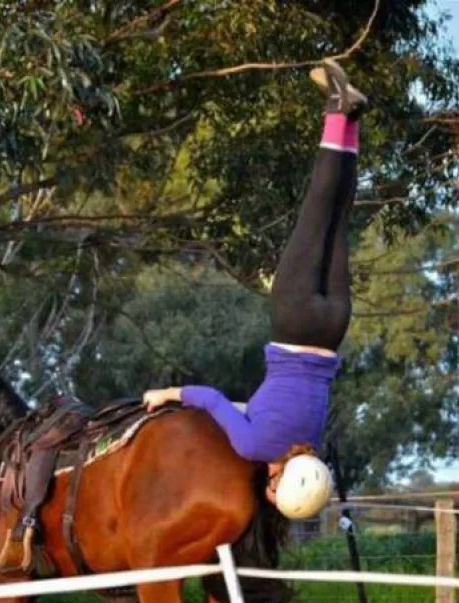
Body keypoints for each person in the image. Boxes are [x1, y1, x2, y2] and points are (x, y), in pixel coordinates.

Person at [144, 60, 368, 519]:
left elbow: (265, 406)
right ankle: (337, 109)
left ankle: (351, 120)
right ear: (279, 483)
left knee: (339, 216)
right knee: (315, 210)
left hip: (333, 327)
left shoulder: (311, 440)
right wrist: (166, 395)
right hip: (296, 320)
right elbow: (209, 399)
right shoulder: (251, 446)